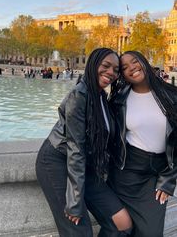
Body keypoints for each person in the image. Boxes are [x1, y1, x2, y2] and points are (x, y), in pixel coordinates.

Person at [36, 48, 132, 237]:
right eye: (106, 66)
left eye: (116, 69)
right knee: (79, 231)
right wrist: (75, 201)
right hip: (57, 162)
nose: (111, 73)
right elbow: (75, 149)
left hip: (84, 166)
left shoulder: (102, 96)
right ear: (93, 65)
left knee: (123, 224)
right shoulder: (79, 95)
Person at [107, 50, 177, 237]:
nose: (132, 68)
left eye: (135, 61)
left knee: (151, 233)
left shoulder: (172, 95)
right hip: (126, 173)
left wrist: (169, 179)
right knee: (119, 231)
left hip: (157, 175)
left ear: (144, 61)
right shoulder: (119, 99)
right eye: (124, 67)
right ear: (122, 74)